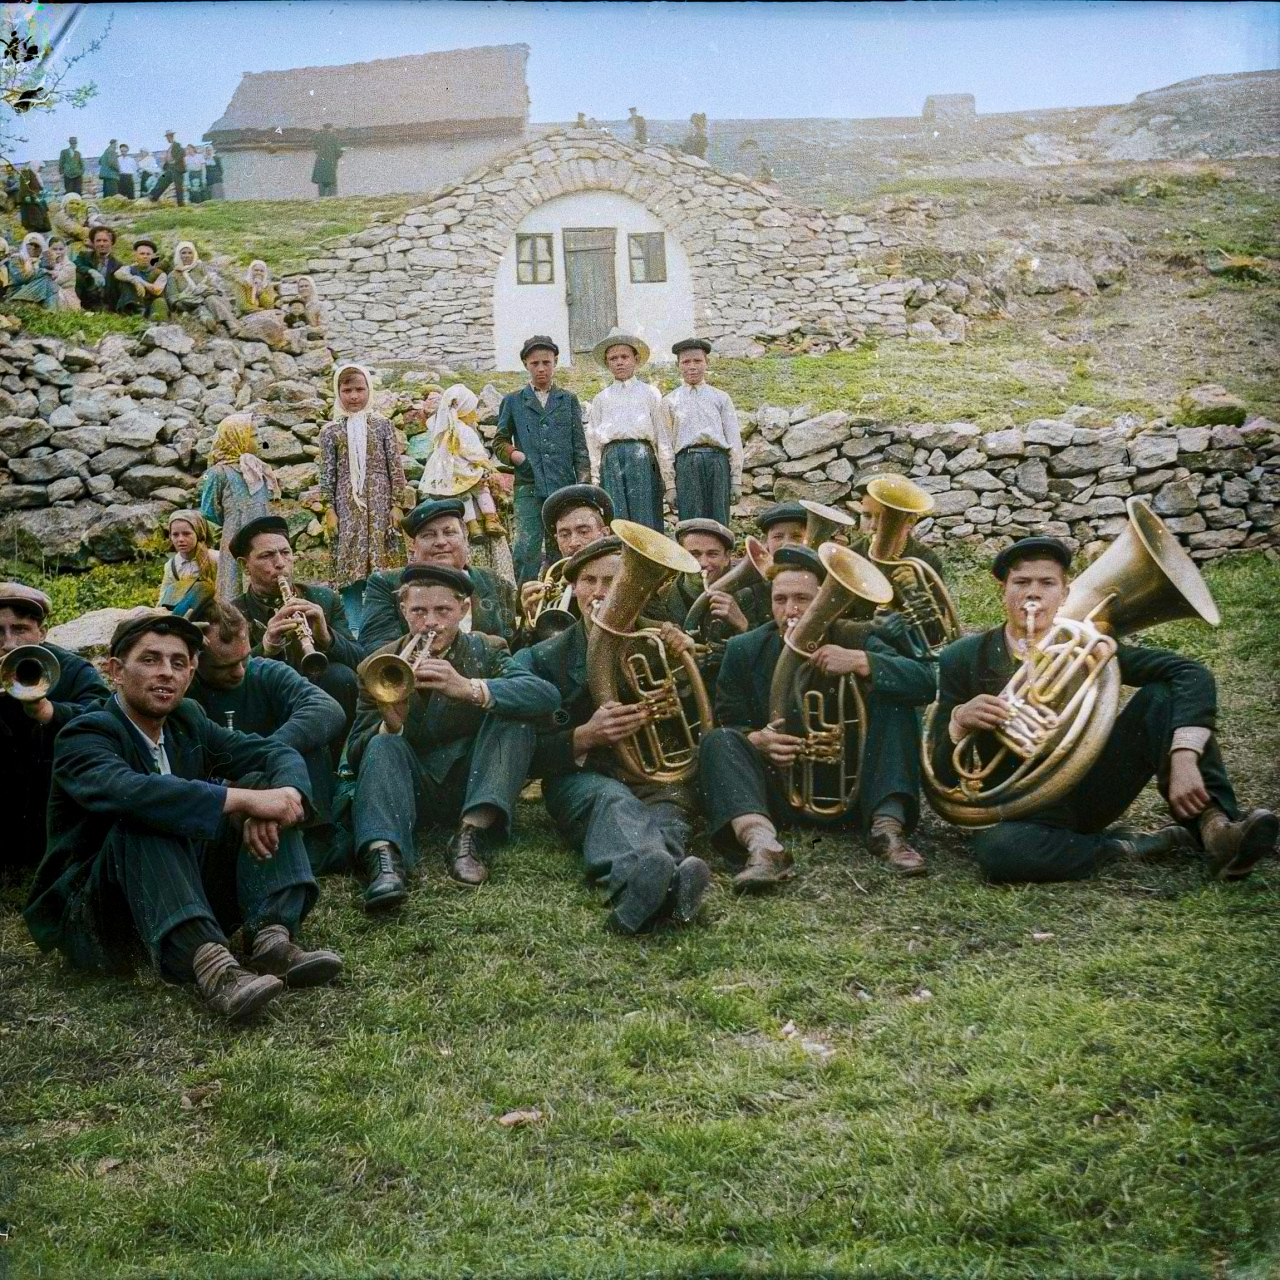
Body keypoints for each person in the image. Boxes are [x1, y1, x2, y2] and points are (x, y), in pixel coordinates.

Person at [24, 613, 341, 1023]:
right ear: (115, 671)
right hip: (99, 917)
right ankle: (217, 970)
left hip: (172, 895)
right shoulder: (87, 733)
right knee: (151, 812)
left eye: (178, 663)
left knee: (264, 785)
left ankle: (272, 939)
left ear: (191, 674)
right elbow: (131, 793)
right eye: (150, 660)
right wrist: (243, 799)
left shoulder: (187, 721)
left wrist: (284, 795)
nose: (166, 674)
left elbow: (271, 752)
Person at [932, 536, 1278, 884]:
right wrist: (958, 723)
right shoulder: (962, 657)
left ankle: (1217, 828)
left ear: (1064, 594)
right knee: (1000, 853)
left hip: (1094, 791)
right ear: (1003, 590)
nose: (1033, 593)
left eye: (1047, 583)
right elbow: (942, 776)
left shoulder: (1084, 645)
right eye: (1021, 582)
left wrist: (1184, 754)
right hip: (1021, 809)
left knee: (1163, 696)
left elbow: (1190, 673)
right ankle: (1126, 847)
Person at [468, 536, 712, 934]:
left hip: (657, 781)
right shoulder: (542, 657)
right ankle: (660, 879)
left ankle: (647, 892)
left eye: (612, 582)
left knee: (668, 817)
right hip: (584, 778)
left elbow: (700, 717)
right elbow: (523, 752)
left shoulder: (661, 641)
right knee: (612, 805)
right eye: (589, 581)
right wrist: (582, 737)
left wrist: (690, 664)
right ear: (574, 587)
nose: (600, 592)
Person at [699, 545, 933, 890]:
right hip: (782, 793)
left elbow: (926, 683)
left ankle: (888, 830)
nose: (791, 611)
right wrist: (757, 740)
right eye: (780, 600)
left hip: (859, 794)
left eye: (802, 599)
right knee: (717, 742)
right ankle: (763, 846)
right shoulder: (745, 648)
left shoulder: (856, 636)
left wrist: (864, 663)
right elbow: (729, 722)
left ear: (825, 600)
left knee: (895, 699)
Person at [348, 566, 560, 906]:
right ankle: (384, 859)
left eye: (443, 611)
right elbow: (356, 754)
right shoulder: (375, 665)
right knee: (382, 743)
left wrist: (470, 688)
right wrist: (390, 724)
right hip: (414, 790)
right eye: (419, 611)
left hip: (473, 783)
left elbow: (545, 696)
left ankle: (469, 837)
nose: (430, 623)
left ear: (463, 611)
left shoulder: (488, 649)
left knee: (513, 719)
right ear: (403, 611)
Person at [188, 599, 347, 875]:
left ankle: (314, 836)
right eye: (224, 666)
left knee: (308, 736)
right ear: (194, 660)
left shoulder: (263, 671)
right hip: (228, 802)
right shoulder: (185, 693)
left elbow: (328, 709)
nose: (239, 671)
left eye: (244, 657)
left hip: (283, 783)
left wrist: (261, 753)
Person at [0, 583, 109, 877]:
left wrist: (50, 713)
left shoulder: (72, 670)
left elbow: (104, 718)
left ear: (42, 633)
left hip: (50, 804)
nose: (8, 643)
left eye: (20, 629)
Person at [231, 514, 363, 742]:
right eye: (267, 556)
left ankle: (335, 761)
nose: (280, 563)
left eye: (285, 553)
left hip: (318, 692)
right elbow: (227, 675)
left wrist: (326, 637)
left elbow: (361, 660)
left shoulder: (324, 598)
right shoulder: (233, 612)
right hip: (267, 698)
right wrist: (266, 648)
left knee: (342, 677)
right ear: (245, 566)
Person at [360, 498, 517, 653]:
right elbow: (376, 648)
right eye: (428, 535)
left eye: (449, 532)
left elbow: (512, 650)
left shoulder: (491, 579)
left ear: (465, 537)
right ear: (413, 545)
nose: (441, 542)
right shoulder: (385, 582)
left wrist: (530, 627)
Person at [318, 362, 408, 633]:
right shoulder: (331, 431)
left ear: (369, 389)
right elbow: (328, 473)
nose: (354, 396)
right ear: (338, 392)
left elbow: (395, 465)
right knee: (351, 562)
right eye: (347, 390)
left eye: (360, 389)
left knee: (384, 563)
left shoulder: (382, 426)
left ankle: (389, 625)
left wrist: (397, 505)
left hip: (380, 503)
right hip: (348, 506)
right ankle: (355, 627)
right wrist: (329, 509)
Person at [494, 335, 589, 587]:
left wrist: (583, 484)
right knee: (527, 550)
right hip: (528, 487)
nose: (541, 368)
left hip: (563, 488)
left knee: (563, 548)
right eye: (535, 363)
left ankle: (561, 608)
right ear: (526, 364)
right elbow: (499, 442)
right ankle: (522, 612)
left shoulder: (567, 400)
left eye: (546, 362)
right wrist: (515, 455)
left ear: (555, 363)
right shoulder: (513, 401)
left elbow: (580, 446)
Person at [585, 327, 675, 532]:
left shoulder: (650, 393)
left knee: (645, 519)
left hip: (643, 458)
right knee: (617, 520)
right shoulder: (601, 398)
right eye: (613, 358)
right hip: (612, 460)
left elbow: (662, 437)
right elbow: (593, 441)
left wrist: (669, 480)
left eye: (624, 356)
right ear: (607, 363)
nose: (619, 362)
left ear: (635, 359)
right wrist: (596, 478)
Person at [199, 412, 281, 602]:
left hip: (263, 538)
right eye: (253, 436)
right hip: (235, 537)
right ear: (236, 438)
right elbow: (209, 510)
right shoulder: (218, 473)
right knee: (234, 584)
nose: (258, 440)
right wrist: (234, 521)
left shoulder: (258, 468)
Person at [664, 337, 743, 526]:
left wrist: (736, 481)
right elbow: (665, 445)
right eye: (686, 362)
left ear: (706, 362)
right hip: (687, 464)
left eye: (697, 361)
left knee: (719, 524)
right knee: (692, 524)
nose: (692, 366)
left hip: (717, 463)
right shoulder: (669, 401)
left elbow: (733, 440)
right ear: (678, 365)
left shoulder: (721, 398)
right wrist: (670, 485)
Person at [652, 518, 738, 690]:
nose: (703, 563)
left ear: (727, 557)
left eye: (712, 554)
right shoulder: (661, 597)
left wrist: (742, 624)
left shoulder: (745, 595)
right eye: (694, 554)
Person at [517, 484, 614, 634]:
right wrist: (531, 622)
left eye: (583, 531)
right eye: (564, 535)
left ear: (605, 533)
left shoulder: (623, 571)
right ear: (556, 540)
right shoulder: (553, 577)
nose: (574, 542)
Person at [419, 383, 505, 540]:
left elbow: (430, 422)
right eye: (472, 410)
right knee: (482, 491)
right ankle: (491, 520)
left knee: (463, 498)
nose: (474, 414)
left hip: (449, 475)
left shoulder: (442, 427)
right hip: (467, 470)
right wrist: (488, 465)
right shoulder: (463, 429)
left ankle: (473, 527)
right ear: (463, 410)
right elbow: (473, 452)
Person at [731, 501, 811, 631]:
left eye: (796, 536)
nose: (787, 543)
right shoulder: (752, 588)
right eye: (778, 536)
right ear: (765, 542)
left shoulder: (820, 581)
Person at [156, 509, 220, 617]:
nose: (180, 539)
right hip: (186, 614)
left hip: (214, 614)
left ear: (199, 534)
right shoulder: (172, 565)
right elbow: (163, 597)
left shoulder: (215, 558)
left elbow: (225, 591)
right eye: (175, 535)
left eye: (186, 534)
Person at [164, 240, 235, 331]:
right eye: (183, 253)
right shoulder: (173, 275)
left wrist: (208, 291)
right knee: (200, 309)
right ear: (179, 255)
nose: (187, 256)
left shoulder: (200, 268)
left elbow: (211, 285)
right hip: (189, 303)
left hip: (206, 298)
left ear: (194, 254)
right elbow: (172, 297)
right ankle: (209, 322)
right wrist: (185, 302)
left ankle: (231, 324)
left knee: (211, 299)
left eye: (190, 253)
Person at [113, 237, 167, 317]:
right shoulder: (129, 268)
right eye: (142, 254)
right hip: (132, 305)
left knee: (160, 302)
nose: (145, 256)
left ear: (153, 257)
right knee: (125, 281)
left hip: (150, 305)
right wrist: (134, 280)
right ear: (136, 256)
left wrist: (140, 281)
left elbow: (156, 290)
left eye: (148, 254)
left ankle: (157, 323)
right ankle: (130, 314)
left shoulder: (160, 274)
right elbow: (117, 273)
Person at [73, 225, 122, 312]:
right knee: (76, 275)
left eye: (105, 241)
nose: (101, 244)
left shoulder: (117, 265)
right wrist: (90, 271)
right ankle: (76, 307)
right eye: (98, 241)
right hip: (86, 299)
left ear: (111, 243)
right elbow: (75, 265)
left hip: (106, 302)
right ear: (93, 243)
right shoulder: (85, 256)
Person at [7, 233, 60, 309]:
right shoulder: (16, 259)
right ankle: (52, 311)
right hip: (17, 293)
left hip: (35, 292)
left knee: (50, 282)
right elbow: (21, 278)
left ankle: (52, 311)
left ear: (41, 248)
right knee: (46, 279)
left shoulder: (41, 262)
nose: (33, 248)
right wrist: (43, 271)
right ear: (25, 245)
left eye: (37, 246)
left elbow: (54, 274)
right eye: (30, 244)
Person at [149, 130, 186, 205]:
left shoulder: (177, 145)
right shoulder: (169, 148)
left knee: (178, 186)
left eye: (169, 136)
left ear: (172, 136)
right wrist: (165, 165)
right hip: (170, 169)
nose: (168, 138)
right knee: (162, 179)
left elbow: (182, 153)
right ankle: (154, 197)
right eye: (167, 137)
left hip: (177, 170)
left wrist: (174, 161)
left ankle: (181, 204)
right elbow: (167, 159)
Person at [311, 123, 343, 198]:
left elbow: (314, 147)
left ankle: (321, 197)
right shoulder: (334, 137)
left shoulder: (317, 136)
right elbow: (338, 151)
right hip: (331, 162)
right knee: (331, 181)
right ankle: (332, 198)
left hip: (320, 161)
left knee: (321, 181)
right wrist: (339, 155)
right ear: (331, 128)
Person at [18, 160, 50, 233]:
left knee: (40, 212)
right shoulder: (26, 173)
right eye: (40, 167)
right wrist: (28, 196)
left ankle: (40, 229)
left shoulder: (36, 175)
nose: (41, 169)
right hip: (30, 199)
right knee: (33, 217)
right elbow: (24, 187)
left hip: (36, 197)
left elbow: (39, 187)